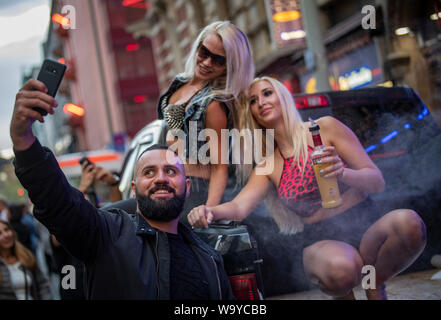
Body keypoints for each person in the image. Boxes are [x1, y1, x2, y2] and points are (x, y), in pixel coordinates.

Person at [188, 76, 427, 300]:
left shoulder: (325, 129)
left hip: (366, 225)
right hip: (321, 242)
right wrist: (209, 211)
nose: (261, 102)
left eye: (267, 93)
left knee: (410, 224)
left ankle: (374, 282)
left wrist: (344, 173)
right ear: (252, 114)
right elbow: (239, 206)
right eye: (253, 100)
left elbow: (377, 181)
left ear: (283, 97)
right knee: (343, 268)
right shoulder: (268, 165)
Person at [10, 79, 234, 299]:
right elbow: (59, 202)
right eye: (149, 172)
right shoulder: (107, 234)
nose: (161, 178)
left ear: (186, 187)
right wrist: (24, 141)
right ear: (134, 190)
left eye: (171, 171)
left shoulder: (209, 260)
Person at [0, 220, 52, 300]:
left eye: (7, 230)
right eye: (0, 233)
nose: (6, 235)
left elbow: (42, 285)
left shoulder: (25, 255)